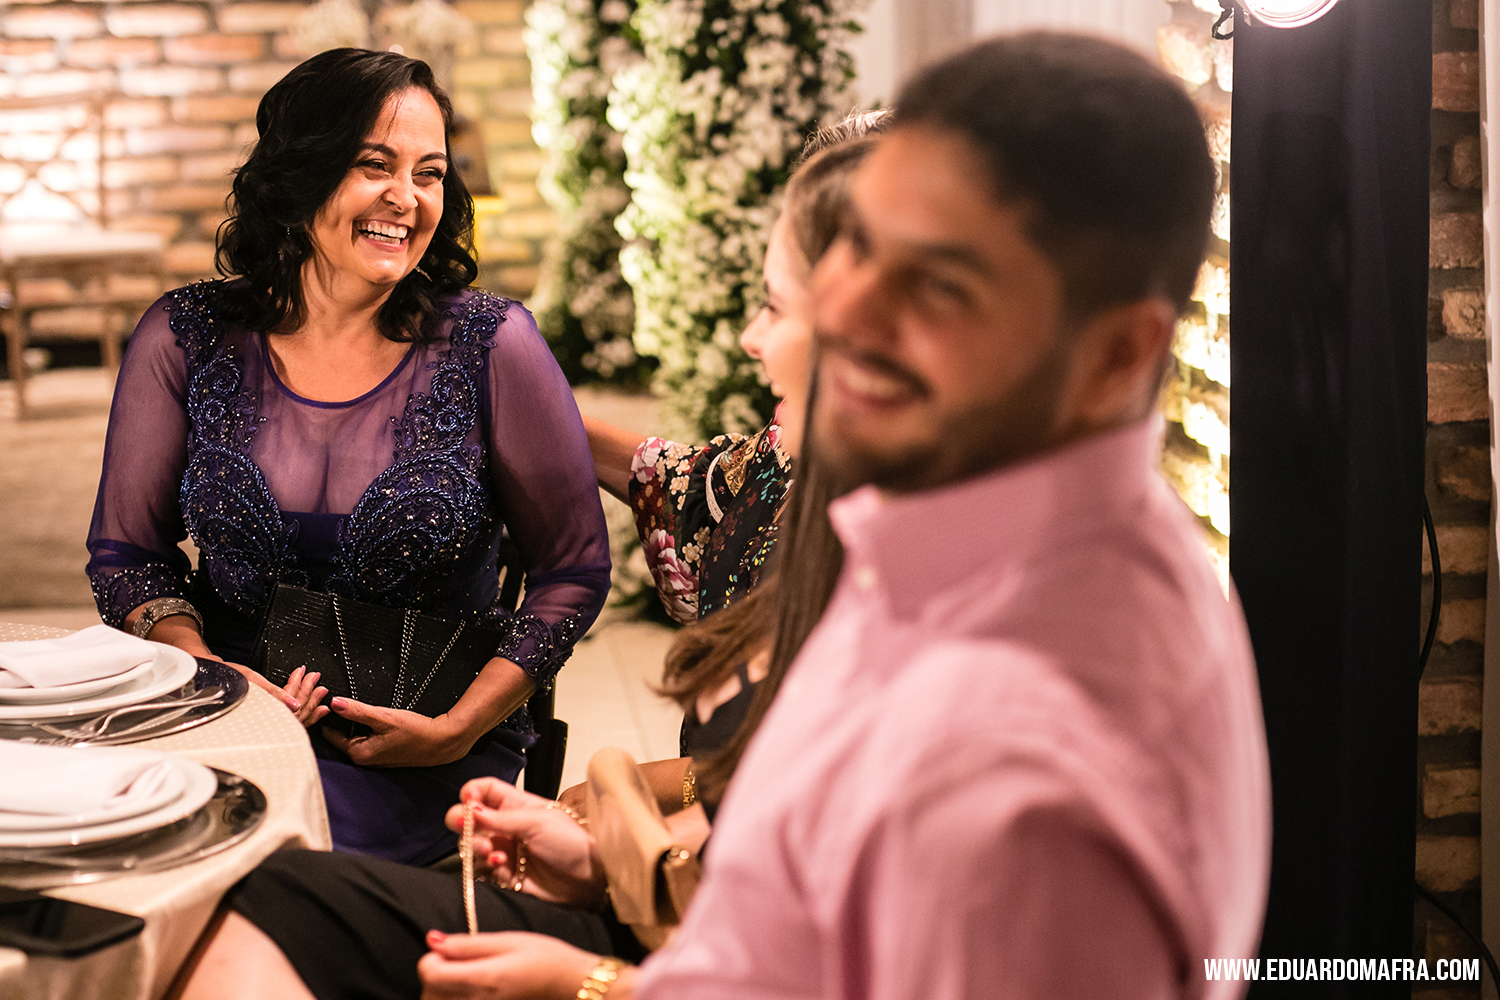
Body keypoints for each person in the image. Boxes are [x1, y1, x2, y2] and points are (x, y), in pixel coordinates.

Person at [411, 32, 1270, 999]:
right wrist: (620, 872)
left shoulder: (1026, 758)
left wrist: (593, 987)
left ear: (1117, 356)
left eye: (939, 284)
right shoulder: (941, 531)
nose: (848, 314)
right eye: (854, 251)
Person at [170, 135, 865, 1000]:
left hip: (698, 952)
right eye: (374, 167)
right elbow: (683, 488)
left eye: (775, 303)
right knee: (251, 893)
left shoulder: (930, 599)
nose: (752, 340)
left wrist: (594, 979)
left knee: (262, 909)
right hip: (685, 891)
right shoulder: (791, 478)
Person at [85, 48, 611, 866]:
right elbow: (127, 557)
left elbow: (572, 569)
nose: (406, 199)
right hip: (222, 718)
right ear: (298, 178)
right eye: (375, 165)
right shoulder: (183, 337)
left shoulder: (490, 344)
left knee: (271, 871)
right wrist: (208, 673)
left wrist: (458, 727)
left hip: (432, 748)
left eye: (430, 173)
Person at [586, 110, 892, 626]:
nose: (750, 338)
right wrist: (539, 415)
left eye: (775, 306)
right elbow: (705, 499)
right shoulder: (796, 442)